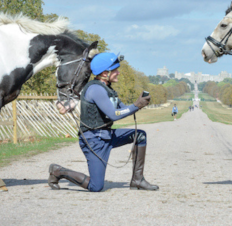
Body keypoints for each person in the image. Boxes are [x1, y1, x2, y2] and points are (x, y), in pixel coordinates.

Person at [48, 52, 158, 192]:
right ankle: (58, 171)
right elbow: (114, 115)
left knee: (140, 135)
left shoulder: (108, 89)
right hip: (94, 140)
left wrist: (139, 103)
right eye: (115, 70)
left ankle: (137, 180)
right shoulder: (95, 89)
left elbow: (123, 109)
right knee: (96, 186)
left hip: (106, 135)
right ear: (105, 73)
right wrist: (136, 105)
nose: (118, 72)